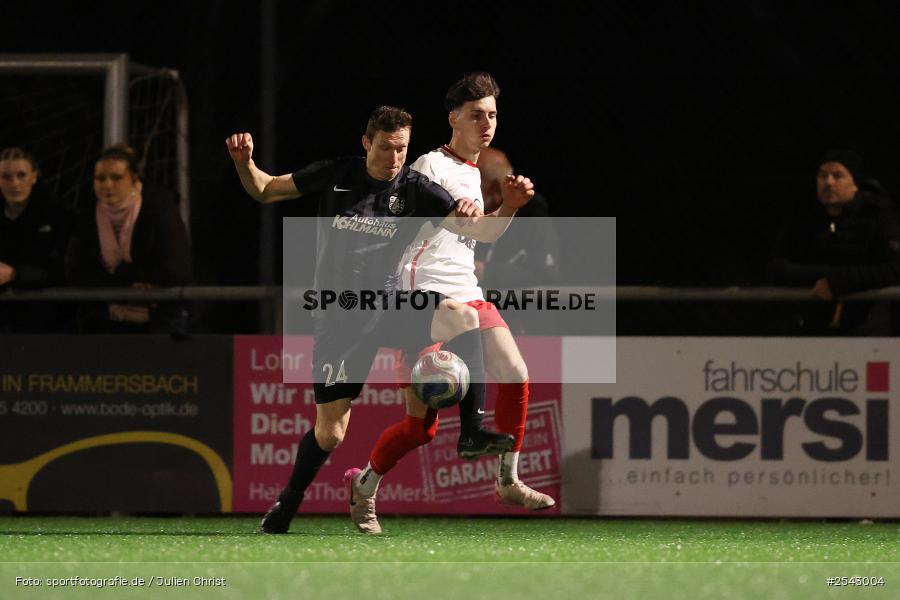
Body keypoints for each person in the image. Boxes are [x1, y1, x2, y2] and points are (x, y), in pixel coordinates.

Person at [226, 105, 534, 534]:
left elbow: (480, 232)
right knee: (332, 432)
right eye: (386, 148)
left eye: (402, 149)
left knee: (463, 316)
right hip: (340, 317)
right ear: (366, 142)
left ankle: (472, 430)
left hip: (389, 307)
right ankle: (288, 501)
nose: (393, 158)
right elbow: (263, 190)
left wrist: (510, 209)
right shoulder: (337, 174)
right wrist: (246, 164)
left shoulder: (416, 189)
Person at [345, 74, 554, 536]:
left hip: (467, 293)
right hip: (423, 297)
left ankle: (507, 480)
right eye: (476, 114)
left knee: (517, 374)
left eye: (493, 115)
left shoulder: (474, 172)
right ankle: (365, 483)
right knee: (420, 430)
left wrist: (511, 207)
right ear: (453, 118)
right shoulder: (428, 165)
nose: (486, 123)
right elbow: (398, 221)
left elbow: (482, 234)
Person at [769, 149, 900, 335]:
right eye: (823, 176)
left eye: (838, 176)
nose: (828, 182)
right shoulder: (802, 216)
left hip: (865, 330)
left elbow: (895, 268)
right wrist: (827, 278)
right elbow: (778, 266)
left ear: (854, 183)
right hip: (810, 329)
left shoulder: (877, 215)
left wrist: (841, 281)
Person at [65, 144, 192, 333]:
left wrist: (121, 273)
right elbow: (75, 271)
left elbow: (176, 269)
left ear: (133, 178)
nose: (107, 185)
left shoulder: (159, 208)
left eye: (116, 177)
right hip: (104, 320)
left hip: (158, 321)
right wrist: (128, 281)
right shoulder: (88, 212)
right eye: (101, 178)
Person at [0, 147, 69, 332]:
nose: (14, 183)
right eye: (6, 176)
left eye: (21, 175)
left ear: (34, 177)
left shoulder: (55, 214)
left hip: (44, 319)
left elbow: (61, 269)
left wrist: (15, 274)